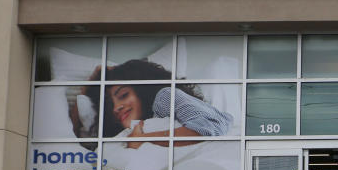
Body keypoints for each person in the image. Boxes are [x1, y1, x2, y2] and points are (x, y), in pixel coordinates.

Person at [81, 59, 233, 145]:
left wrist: (142, 140)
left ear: (142, 90)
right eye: (110, 104)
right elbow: (79, 144)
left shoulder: (164, 97)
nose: (116, 108)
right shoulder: (123, 134)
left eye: (123, 95)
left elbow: (211, 125)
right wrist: (89, 85)